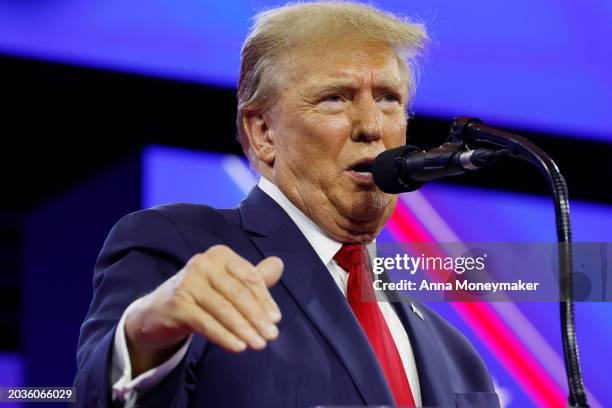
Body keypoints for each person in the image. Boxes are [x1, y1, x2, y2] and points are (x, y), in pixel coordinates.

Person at [74, 2, 500, 407]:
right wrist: (146, 336)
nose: (372, 126)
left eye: (389, 98)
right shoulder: (184, 250)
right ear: (263, 132)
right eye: (336, 97)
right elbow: (104, 395)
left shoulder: (457, 358)